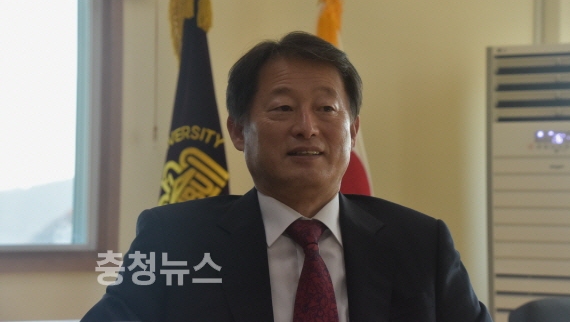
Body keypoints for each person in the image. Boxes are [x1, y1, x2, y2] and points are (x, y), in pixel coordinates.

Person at [82, 31, 492, 321]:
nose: (307, 128)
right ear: (238, 131)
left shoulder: (421, 245)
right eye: (282, 109)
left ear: (352, 131)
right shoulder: (174, 241)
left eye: (326, 109)